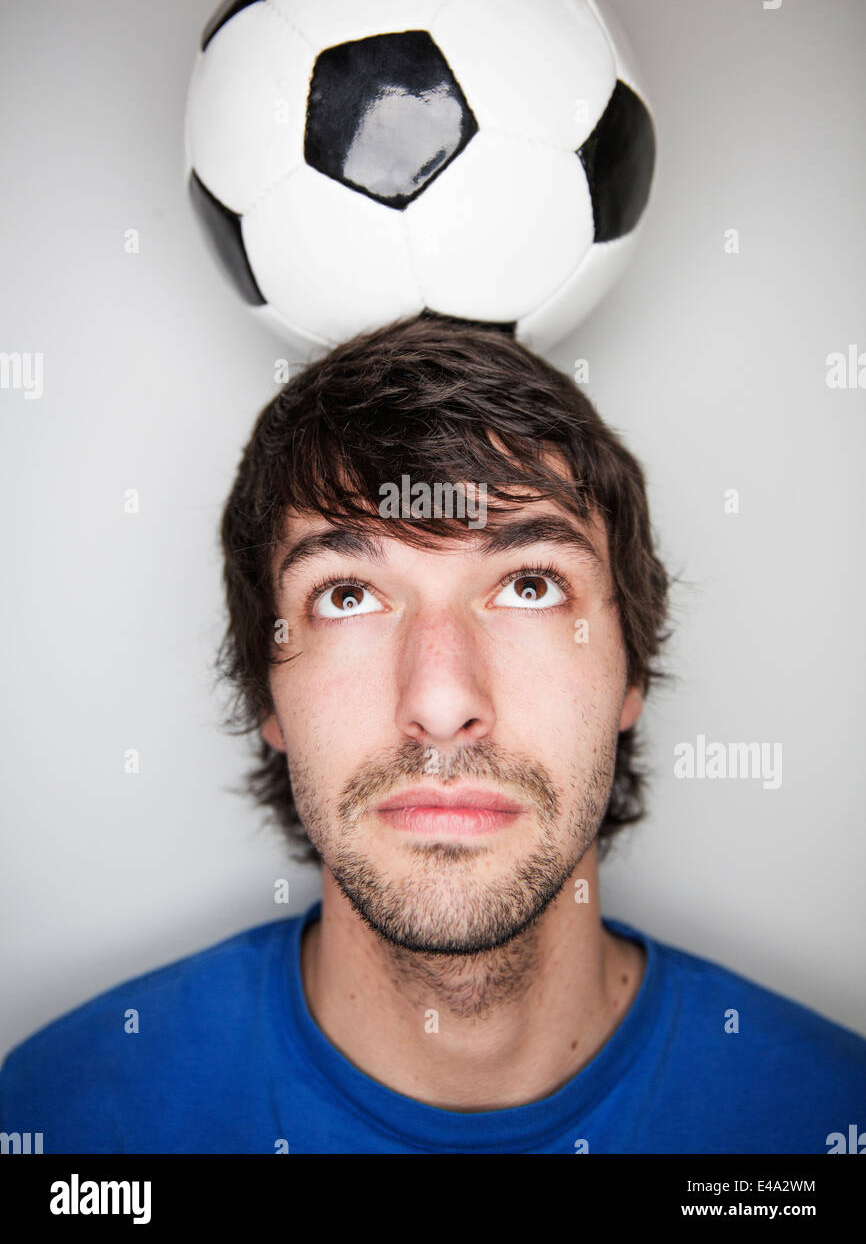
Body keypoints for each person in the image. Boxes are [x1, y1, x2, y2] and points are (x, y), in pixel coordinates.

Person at [2, 315, 864, 1155]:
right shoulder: (70, 1115)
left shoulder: (828, 1118)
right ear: (267, 689)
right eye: (347, 595)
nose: (443, 700)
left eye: (530, 584)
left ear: (630, 672)